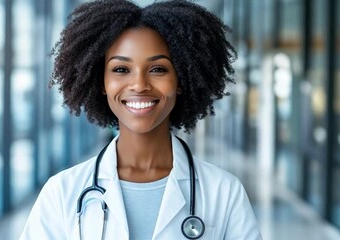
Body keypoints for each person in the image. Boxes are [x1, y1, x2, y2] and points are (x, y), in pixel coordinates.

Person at [20, 0, 262, 239]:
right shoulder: (61, 192)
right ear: (101, 82)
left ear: (181, 80)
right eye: (121, 70)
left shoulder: (224, 192)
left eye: (158, 69)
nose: (139, 85)